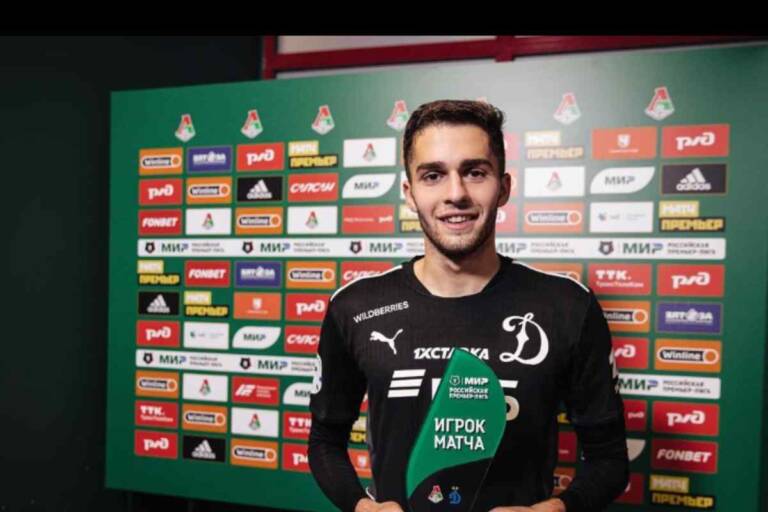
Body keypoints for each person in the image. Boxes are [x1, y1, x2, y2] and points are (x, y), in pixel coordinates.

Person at [309, 99, 629, 512]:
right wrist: (361, 507)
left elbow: (608, 459)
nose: (455, 194)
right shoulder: (355, 307)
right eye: (433, 175)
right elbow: (324, 440)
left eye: (475, 172)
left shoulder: (567, 306)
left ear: (504, 187)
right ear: (409, 193)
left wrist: (555, 510)